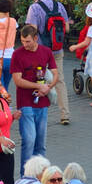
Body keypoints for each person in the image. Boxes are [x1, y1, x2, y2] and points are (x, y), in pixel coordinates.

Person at [10, 24, 57, 173]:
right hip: (25, 102)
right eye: (23, 41)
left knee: (40, 142)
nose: (25, 45)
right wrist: (37, 86)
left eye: (28, 41)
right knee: (29, 140)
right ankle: (26, 175)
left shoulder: (46, 52)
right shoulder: (17, 54)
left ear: (36, 38)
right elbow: (17, 80)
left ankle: (41, 173)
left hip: (42, 103)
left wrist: (47, 88)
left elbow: (56, 75)